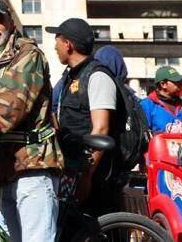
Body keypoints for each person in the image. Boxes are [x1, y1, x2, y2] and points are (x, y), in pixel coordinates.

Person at [0, 0, 62, 242]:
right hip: (6, 168)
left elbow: (9, 107)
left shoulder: (27, 55)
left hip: (32, 166)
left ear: (11, 22)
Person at [49, 17, 120, 216]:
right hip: (72, 169)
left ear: (68, 44)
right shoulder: (70, 77)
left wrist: (86, 175)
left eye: (57, 40)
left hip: (93, 175)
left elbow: (101, 130)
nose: (55, 47)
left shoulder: (97, 76)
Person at [141, 65, 182, 135]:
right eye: (176, 81)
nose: (180, 84)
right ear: (163, 84)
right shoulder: (147, 105)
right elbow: (143, 135)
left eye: (180, 81)